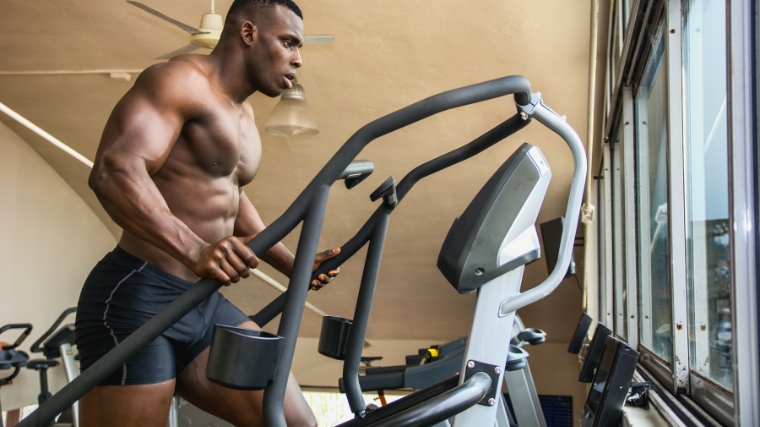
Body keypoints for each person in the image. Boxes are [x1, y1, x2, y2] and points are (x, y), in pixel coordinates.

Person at [75, 0, 334, 425]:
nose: (298, 58)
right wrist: (195, 249)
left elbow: (229, 196)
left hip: (201, 302)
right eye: (288, 42)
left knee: (293, 422)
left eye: (299, 47)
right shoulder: (179, 80)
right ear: (248, 34)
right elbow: (115, 169)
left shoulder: (244, 114)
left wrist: (293, 264)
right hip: (138, 297)